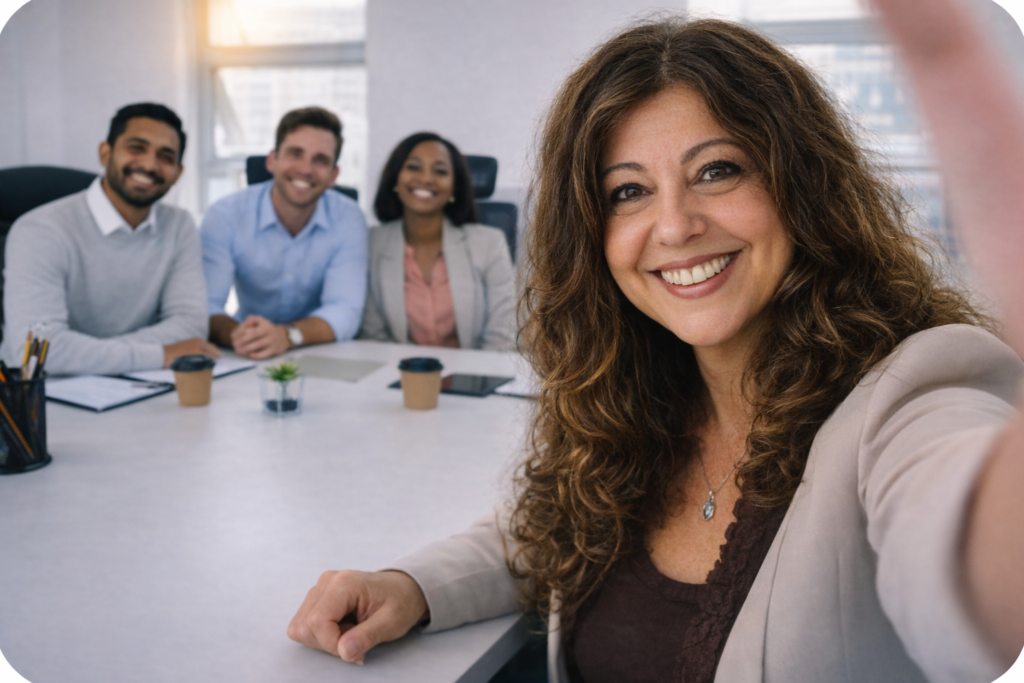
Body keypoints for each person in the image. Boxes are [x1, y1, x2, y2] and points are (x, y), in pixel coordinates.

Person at [287, 8, 1024, 683]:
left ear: (802, 186)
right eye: (628, 192)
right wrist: (410, 587)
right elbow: (543, 533)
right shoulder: (649, 389)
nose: (673, 227)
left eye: (718, 170)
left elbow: (961, 557)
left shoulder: (913, 390)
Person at [0, 102, 216, 376]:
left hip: (138, 387)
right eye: (136, 148)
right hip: (42, 400)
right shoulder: (40, 229)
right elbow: (36, 352)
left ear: (178, 173)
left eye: (165, 156)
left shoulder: (179, 225)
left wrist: (84, 353)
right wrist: (159, 354)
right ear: (106, 153)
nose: (150, 164)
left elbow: (190, 326)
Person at [201, 107, 369, 359]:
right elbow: (205, 305)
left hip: (317, 350)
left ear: (334, 175)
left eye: (320, 160)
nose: (306, 169)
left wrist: (286, 336)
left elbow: (345, 310)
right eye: (295, 154)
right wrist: (241, 336)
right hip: (245, 350)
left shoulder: (349, 218)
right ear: (272, 161)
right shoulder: (225, 215)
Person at [358, 132, 515, 351]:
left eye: (440, 171)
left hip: (472, 378)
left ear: (454, 187)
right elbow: (372, 336)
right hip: (399, 376)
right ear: (395, 178)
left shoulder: (489, 243)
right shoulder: (371, 243)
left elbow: (502, 337)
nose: (425, 178)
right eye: (413, 167)